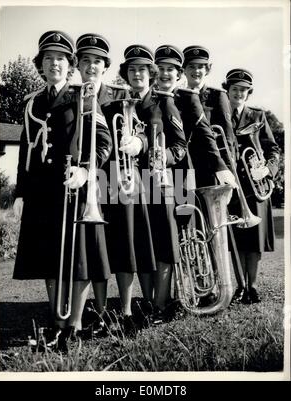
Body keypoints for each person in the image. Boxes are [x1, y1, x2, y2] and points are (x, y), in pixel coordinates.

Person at [13, 30, 112, 350]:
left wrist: (86, 171)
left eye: (60, 58)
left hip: (75, 190)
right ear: (40, 64)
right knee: (49, 259)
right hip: (41, 192)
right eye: (48, 58)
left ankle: (74, 325)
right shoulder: (32, 102)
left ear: (70, 64)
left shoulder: (84, 95)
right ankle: (57, 323)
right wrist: (20, 192)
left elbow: (104, 142)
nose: (54, 63)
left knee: (79, 260)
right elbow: (26, 150)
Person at [76, 34, 157, 335]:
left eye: (97, 61)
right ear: (78, 65)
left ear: (105, 66)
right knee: (95, 250)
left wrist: (139, 141)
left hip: (119, 181)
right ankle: (98, 313)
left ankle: (123, 312)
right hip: (85, 182)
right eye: (85, 60)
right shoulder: (72, 96)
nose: (91, 66)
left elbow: (143, 131)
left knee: (125, 247)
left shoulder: (120, 97)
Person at [154, 45, 237, 309]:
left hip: (191, 174)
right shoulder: (155, 97)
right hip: (162, 176)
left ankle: (204, 288)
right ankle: (176, 292)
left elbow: (209, 134)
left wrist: (222, 168)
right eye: (161, 69)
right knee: (172, 233)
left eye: (171, 70)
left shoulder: (193, 97)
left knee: (195, 232)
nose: (166, 74)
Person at [117, 44, 189, 322]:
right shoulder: (119, 103)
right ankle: (147, 303)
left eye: (142, 70)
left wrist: (164, 157)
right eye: (132, 69)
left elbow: (180, 146)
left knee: (163, 240)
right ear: (125, 74)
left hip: (160, 181)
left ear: (151, 73)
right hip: (126, 182)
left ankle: (161, 303)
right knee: (139, 242)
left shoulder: (164, 103)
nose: (137, 74)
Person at [223, 68, 280, 303]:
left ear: (249, 93)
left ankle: (253, 287)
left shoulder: (258, 116)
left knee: (254, 241)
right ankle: (240, 286)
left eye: (244, 90)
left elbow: (273, 149)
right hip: (232, 187)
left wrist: (268, 168)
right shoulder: (220, 115)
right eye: (235, 89)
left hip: (255, 186)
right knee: (236, 241)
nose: (239, 93)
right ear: (227, 91)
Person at [182, 45, 235, 187]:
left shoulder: (218, 96)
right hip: (183, 168)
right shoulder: (177, 96)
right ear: (184, 69)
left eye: (201, 67)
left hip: (210, 168)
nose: (196, 71)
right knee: (185, 208)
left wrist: (228, 171)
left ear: (207, 70)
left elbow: (227, 140)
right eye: (191, 66)